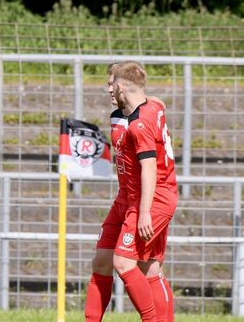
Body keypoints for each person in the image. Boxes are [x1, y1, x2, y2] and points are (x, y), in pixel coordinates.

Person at [85, 61, 175, 322]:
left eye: (110, 83)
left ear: (122, 86)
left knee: (129, 264)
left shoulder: (140, 123)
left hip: (151, 198)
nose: (107, 89)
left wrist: (145, 211)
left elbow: (149, 168)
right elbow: (157, 102)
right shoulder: (134, 110)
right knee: (102, 259)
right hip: (126, 197)